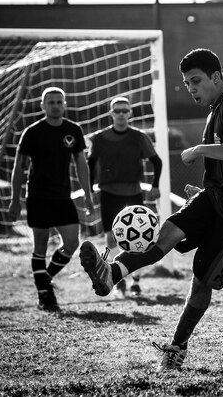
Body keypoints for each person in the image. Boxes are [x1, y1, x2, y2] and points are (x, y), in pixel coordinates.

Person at [79, 48, 223, 369]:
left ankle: (175, 350)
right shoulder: (218, 108)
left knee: (200, 282)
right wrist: (206, 189)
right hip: (219, 198)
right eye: (187, 83)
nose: (192, 89)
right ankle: (111, 273)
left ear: (216, 77)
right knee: (168, 233)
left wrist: (199, 149)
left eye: (197, 81)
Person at [9, 87, 94, 311]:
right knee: (40, 246)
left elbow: (81, 164)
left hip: (62, 197)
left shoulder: (73, 130)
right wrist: (14, 199)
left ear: (64, 104)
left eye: (59, 102)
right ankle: (45, 295)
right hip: (37, 196)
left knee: (72, 243)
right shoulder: (32, 132)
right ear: (43, 106)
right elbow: (19, 167)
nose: (55, 106)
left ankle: (44, 279)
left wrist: (88, 194)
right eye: (51, 102)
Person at [87, 96, 163, 296]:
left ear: (130, 113)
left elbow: (157, 162)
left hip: (133, 193)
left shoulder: (139, 137)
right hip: (108, 193)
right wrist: (89, 189)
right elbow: (90, 164)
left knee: (140, 240)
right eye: (117, 111)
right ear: (111, 114)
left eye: (124, 111)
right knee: (112, 238)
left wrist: (155, 185)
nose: (121, 114)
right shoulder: (100, 138)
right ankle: (117, 278)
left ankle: (136, 281)